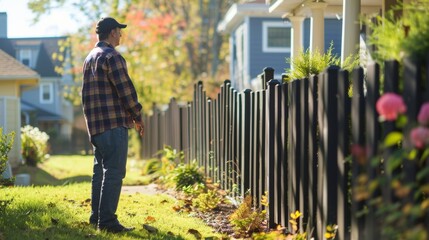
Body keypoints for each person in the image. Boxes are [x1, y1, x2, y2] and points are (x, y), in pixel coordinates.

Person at [81, 17, 144, 233]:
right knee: (114, 171)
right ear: (112, 32)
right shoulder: (112, 57)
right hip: (113, 125)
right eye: (119, 31)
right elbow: (126, 90)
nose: (121, 35)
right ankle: (107, 222)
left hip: (96, 128)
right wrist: (137, 115)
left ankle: (97, 218)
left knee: (101, 171)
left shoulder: (89, 58)